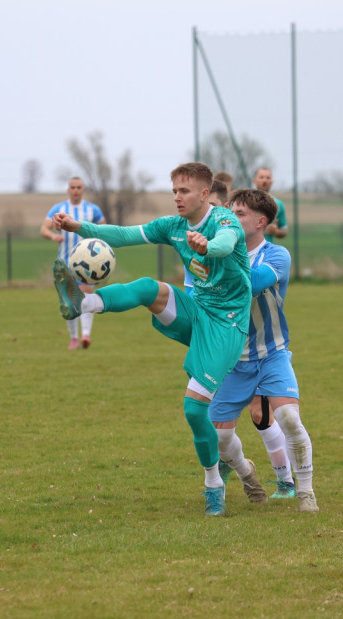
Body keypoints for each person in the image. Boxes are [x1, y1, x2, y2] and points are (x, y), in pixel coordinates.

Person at [51, 162, 266, 517]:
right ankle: (83, 303)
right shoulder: (174, 226)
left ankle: (214, 483)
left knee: (194, 409)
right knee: (150, 288)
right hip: (198, 311)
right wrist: (79, 227)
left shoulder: (224, 222)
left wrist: (206, 246)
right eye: (174, 191)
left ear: (204, 193)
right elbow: (123, 235)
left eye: (184, 191)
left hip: (227, 327)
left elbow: (227, 244)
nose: (177, 198)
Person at [209, 188, 318, 512]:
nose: (231, 218)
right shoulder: (219, 254)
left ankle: (306, 493)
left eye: (239, 213)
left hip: (272, 353)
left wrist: (217, 264)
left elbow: (253, 283)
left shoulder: (277, 255)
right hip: (232, 359)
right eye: (230, 212)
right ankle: (245, 471)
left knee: (288, 417)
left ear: (261, 221)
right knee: (219, 439)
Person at [40, 177, 105, 350]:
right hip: (65, 263)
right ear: (68, 190)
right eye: (72, 187)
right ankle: (74, 338)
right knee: (69, 303)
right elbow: (44, 229)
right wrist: (53, 236)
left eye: (79, 187)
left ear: (83, 190)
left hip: (87, 264)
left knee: (84, 297)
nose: (75, 190)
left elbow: (104, 230)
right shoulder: (58, 209)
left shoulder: (93, 210)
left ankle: (85, 335)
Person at [253, 167, 288, 242]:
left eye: (268, 178)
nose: (265, 180)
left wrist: (276, 232)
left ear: (272, 182)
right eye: (261, 177)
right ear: (254, 181)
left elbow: (284, 230)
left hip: (267, 251)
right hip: (247, 251)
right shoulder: (245, 202)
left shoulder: (278, 204)